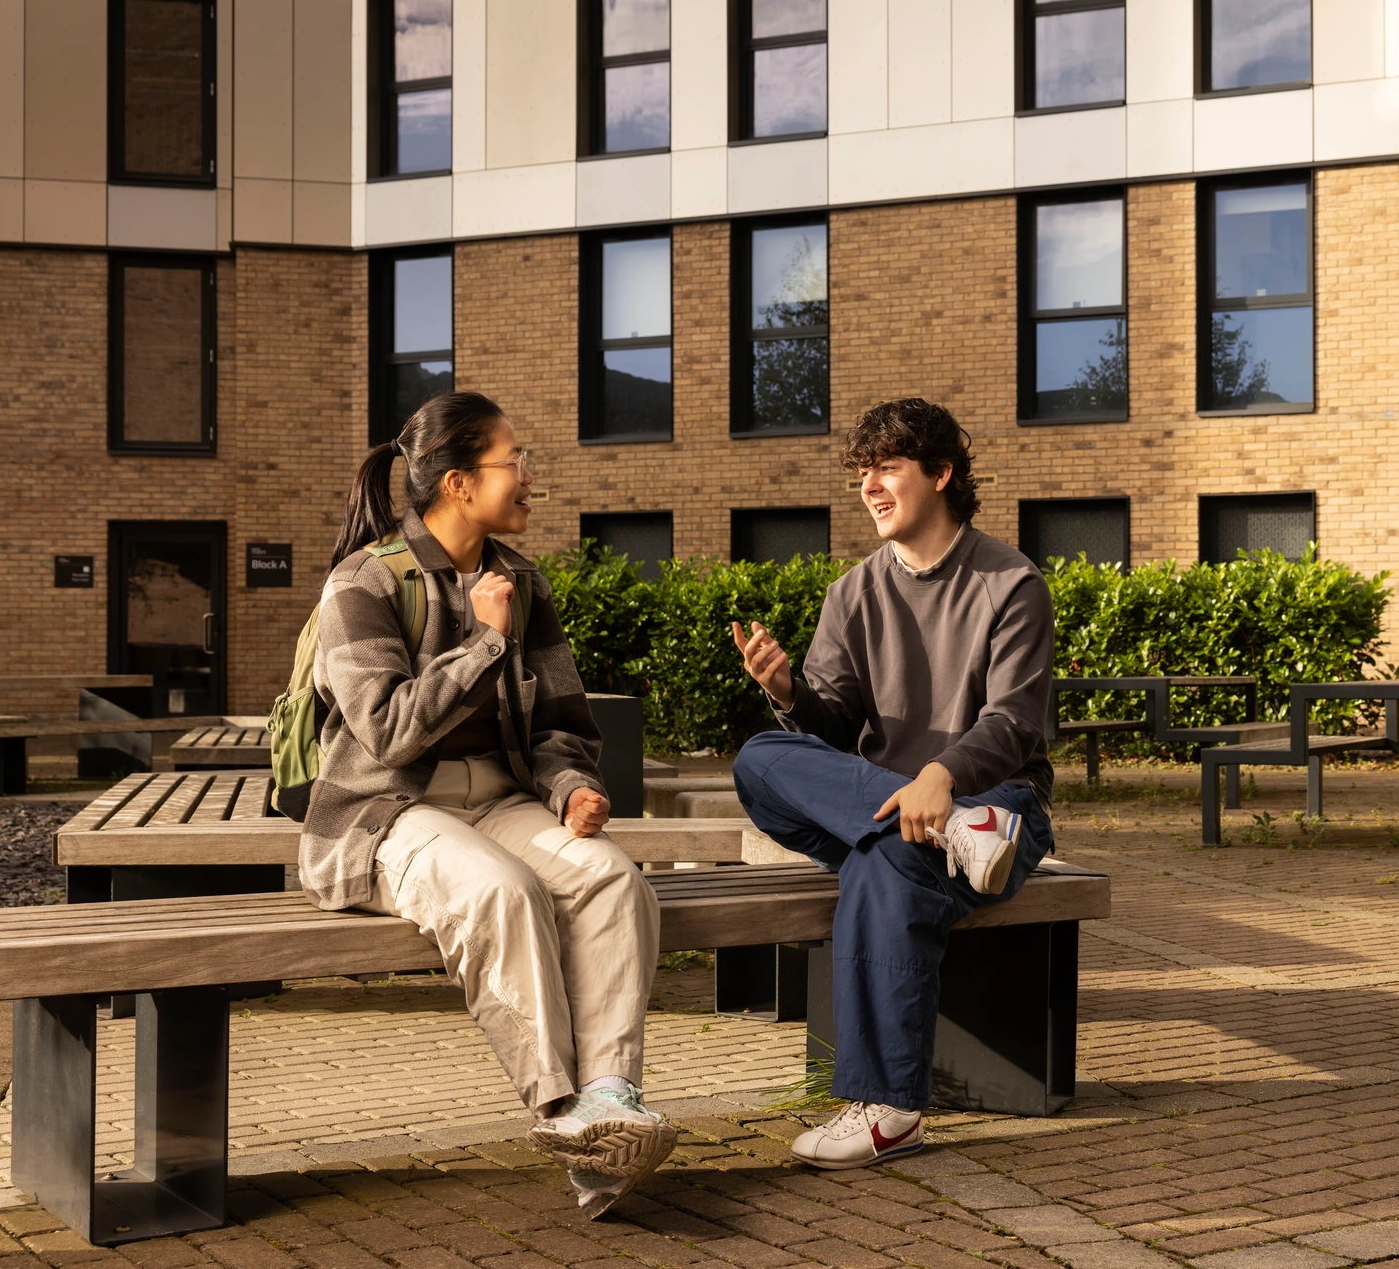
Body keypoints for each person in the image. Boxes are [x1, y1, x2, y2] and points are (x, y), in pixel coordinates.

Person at [306, 391, 674, 1217]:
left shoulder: (521, 577)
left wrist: (571, 786)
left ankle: (608, 1099)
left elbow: (561, 723)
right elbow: (387, 732)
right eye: (517, 460)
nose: (530, 475)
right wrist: (483, 646)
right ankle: (559, 1108)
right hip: (384, 815)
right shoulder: (362, 583)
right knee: (499, 893)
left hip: (501, 800)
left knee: (614, 880)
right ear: (461, 482)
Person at [729, 397, 1055, 1170]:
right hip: (912, 818)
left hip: (999, 807)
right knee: (759, 758)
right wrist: (788, 696)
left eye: (887, 469)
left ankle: (888, 1107)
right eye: (861, 473)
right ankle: (939, 836)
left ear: (940, 474)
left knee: (884, 863)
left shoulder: (1012, 583)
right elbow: (833, 730)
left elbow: (1014, 722)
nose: (869, 486)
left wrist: (940, 779)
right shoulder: (852, 593)